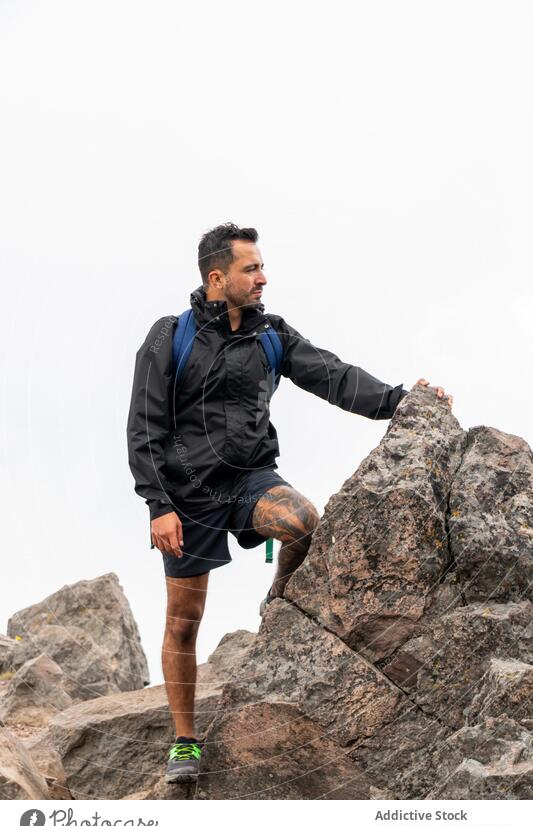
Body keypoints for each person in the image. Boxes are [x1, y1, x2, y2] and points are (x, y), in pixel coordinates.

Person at [126, 222, 453, 783]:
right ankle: (184, 743)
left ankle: (282, 601)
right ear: (216, 276)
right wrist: (158, 505)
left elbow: (332, 375)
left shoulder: (269, 334)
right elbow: (144, 424)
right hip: (185, 496)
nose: (262, 278)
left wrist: (402, 400)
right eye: (250, 269)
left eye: (261, 267)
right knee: (184, 621)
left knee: (301, 522)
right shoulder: (168, 336)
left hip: (250, 478)